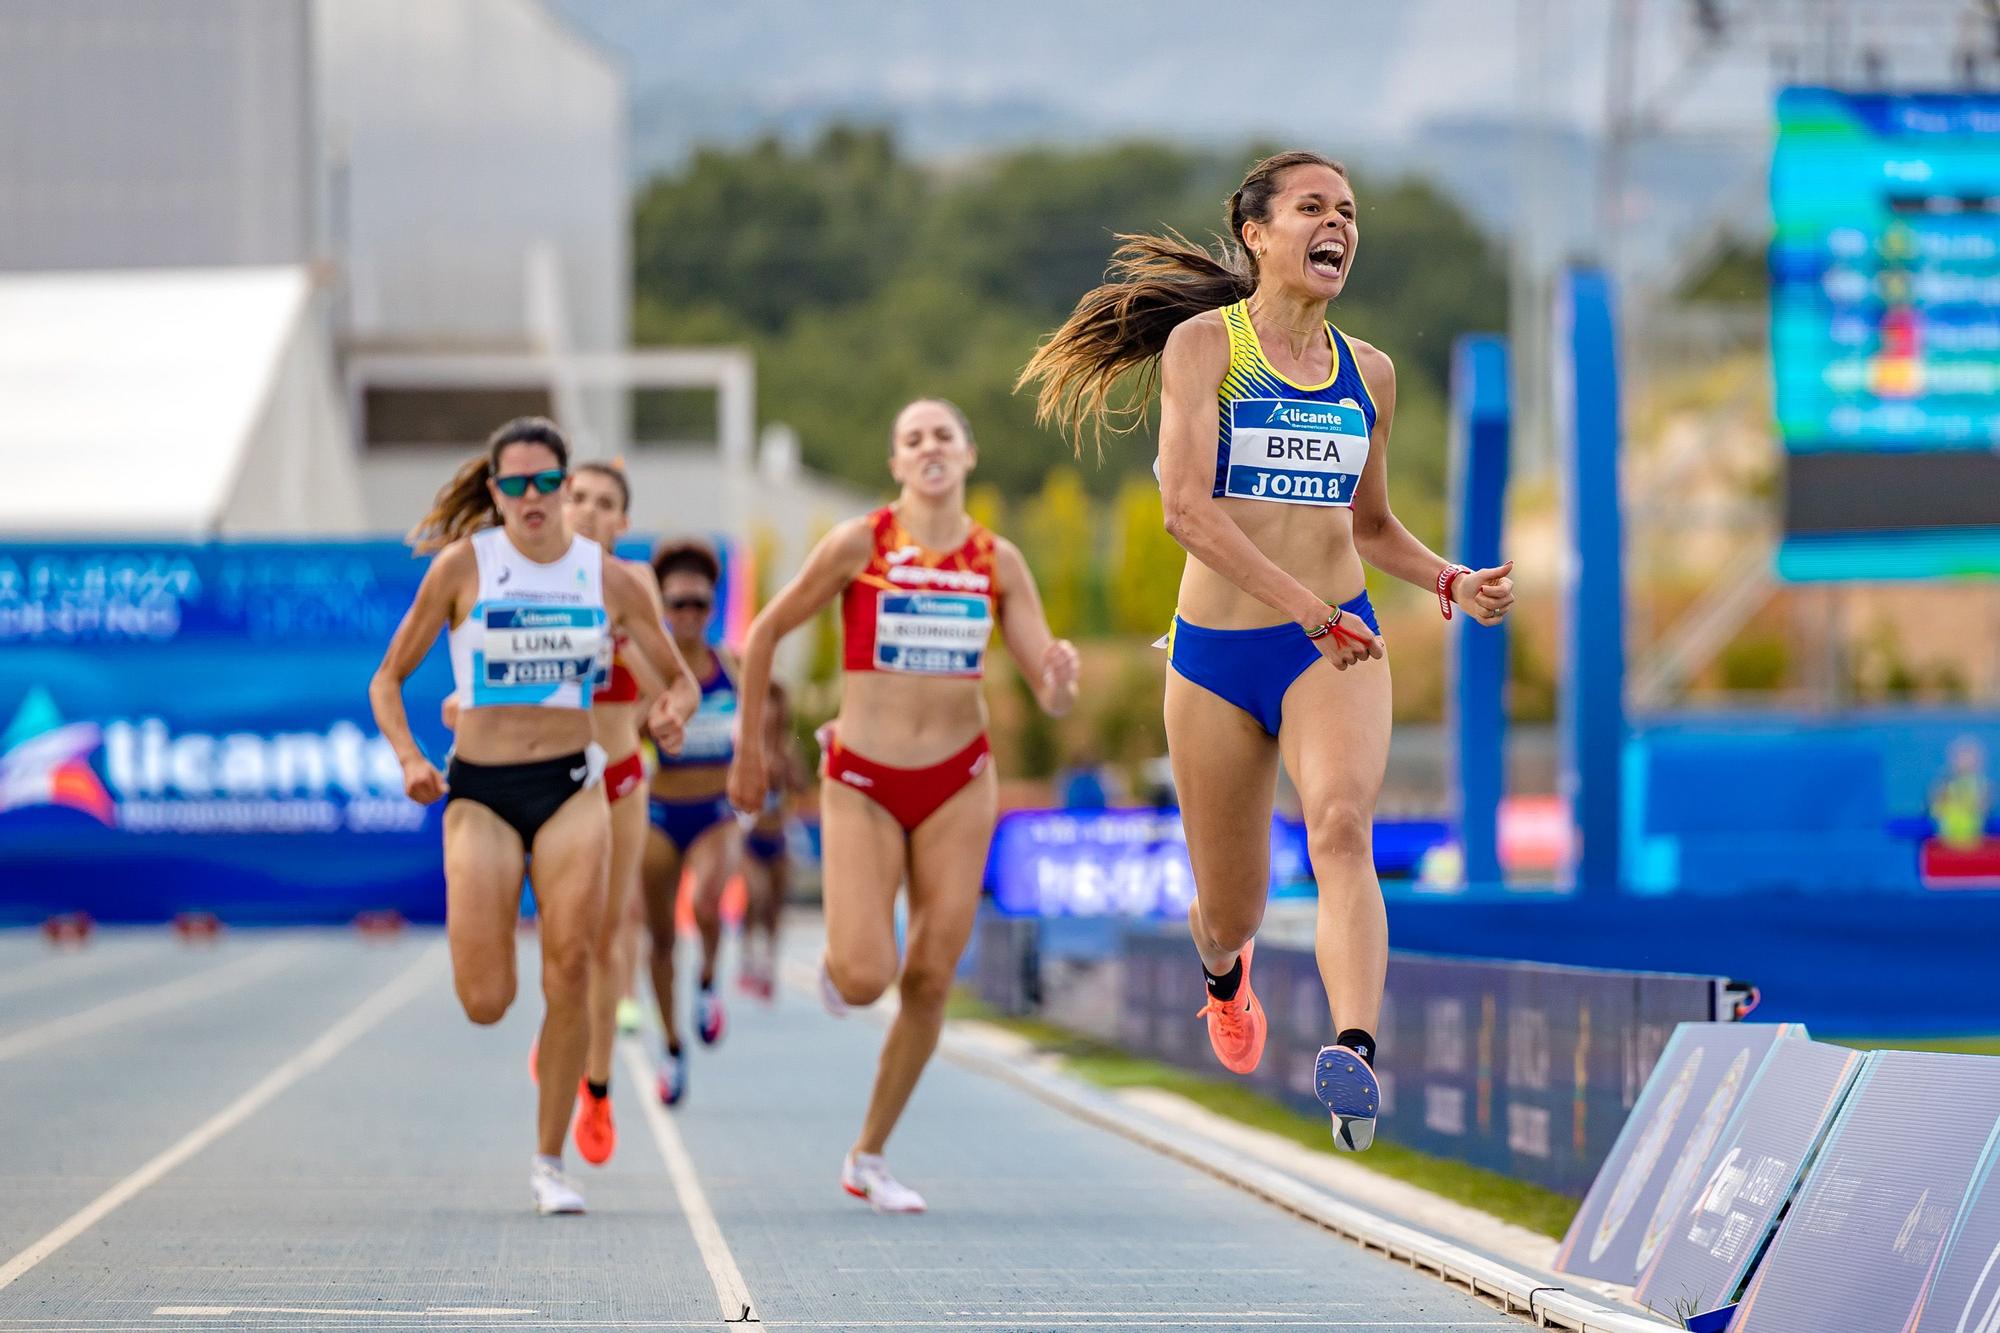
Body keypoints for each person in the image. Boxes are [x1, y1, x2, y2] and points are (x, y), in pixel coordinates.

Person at [1019, 151, 1514, 1152]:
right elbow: (1185, 513)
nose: (1337, 225)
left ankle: (1354, 1055)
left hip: (1330, 652)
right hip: (1215, 659)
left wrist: (1447, 580)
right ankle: (1222, 976)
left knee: (1339, 829)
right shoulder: (1204, 347)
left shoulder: (1366, 372)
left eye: (1347, 211)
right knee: (1229, 906)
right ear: (1255, 233)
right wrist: (1305, 610)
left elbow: (1370, 528)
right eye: (1311, 208)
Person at [728, 398, 1080, 1213]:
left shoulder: (999, 561)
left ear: (968, 455)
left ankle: (870, 1153)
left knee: (927, 978)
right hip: (863, 781)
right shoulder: (862, 544)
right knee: (864, 975)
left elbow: (1047, 686)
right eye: (913, 438)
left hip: (960, 780)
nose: (929, 447)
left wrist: (1060, 676)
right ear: (896, 464)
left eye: (943, 436)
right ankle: (838, 968)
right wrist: (751, 749)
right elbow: (764, 635)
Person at [369, 417, 698, 1214]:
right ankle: (526, 1027)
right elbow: (386, 681)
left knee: (573, 967)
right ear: (494, 492)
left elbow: (678, 679)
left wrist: (673, 712)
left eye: (545, 482)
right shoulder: (463, 568)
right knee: (485, 999)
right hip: (480, 791)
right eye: (514, 485)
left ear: (561, 485)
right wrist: (414, 759)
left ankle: (551, 1162)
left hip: (573, 786)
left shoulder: (608, 580)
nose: (532, 498)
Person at [558, 461, 666, 1165]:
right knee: (561, 936)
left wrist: (629, 648)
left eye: (605, 504)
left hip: (621, 770)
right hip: (548, 774)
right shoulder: (524, 577)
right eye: (578, 498)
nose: (590, 512)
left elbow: (665, 684)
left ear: (622, 522)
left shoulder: (637, 584)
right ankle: (556, 1036)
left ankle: (595, 1086)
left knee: (605, 930)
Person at [640, 540, 741, 1105]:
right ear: (661, 608)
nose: (688, 616)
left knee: (706, 902)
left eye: (699, 606)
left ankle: (707, 982)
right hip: (658, 812)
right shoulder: (648, 667)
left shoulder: (732, 666)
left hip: (714, 811)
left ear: (711, 608)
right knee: (657, 939)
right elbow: (621, 731)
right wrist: (649, 718)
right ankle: (673, 1045)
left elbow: (767, 722)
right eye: (677, 605)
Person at [738, 679, 807, 1001]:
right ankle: (747, 956)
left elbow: (802, 787)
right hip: (749, 837)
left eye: (774, 707)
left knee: (775, 904)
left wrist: (787, 772)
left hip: (778, 836)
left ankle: (768, 962)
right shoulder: (742, 747)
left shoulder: (787, 750)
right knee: (756, 894)